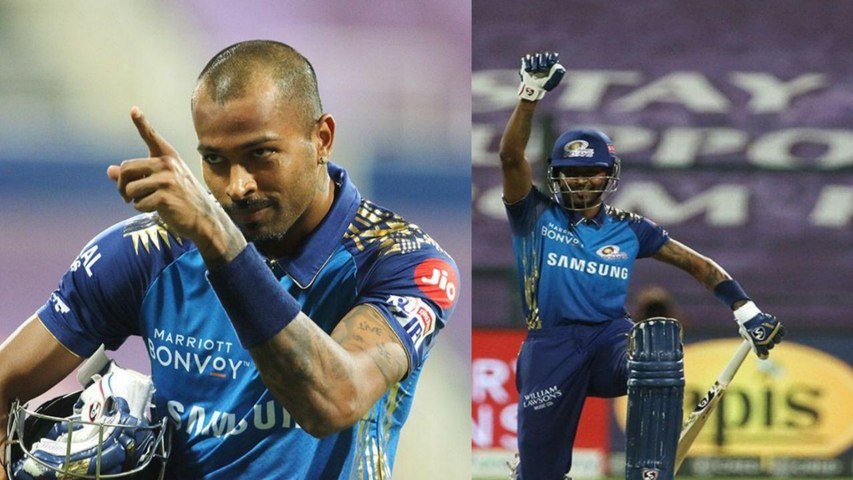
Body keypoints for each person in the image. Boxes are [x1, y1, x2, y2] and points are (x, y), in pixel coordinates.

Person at [0, 40, 459, 479]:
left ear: (322, 138)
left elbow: (334, 402)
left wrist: (216, 239)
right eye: (215, 160)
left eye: (261, 154)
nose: (238, 186)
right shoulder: (147, 252)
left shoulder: (401, 261)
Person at [500, 52, 784, 480]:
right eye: (571, 172)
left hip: (609, 340)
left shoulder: (629, 228)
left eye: (593, 171)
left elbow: (697, 264)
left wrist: (746, 310)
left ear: (609, 175)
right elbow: (510, 158)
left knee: (656, 346)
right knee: (541, 474)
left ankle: (648, 472)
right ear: (556, 175)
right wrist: (530, 95)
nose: (582, 180)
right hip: (550, 346)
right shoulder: (533, 215)